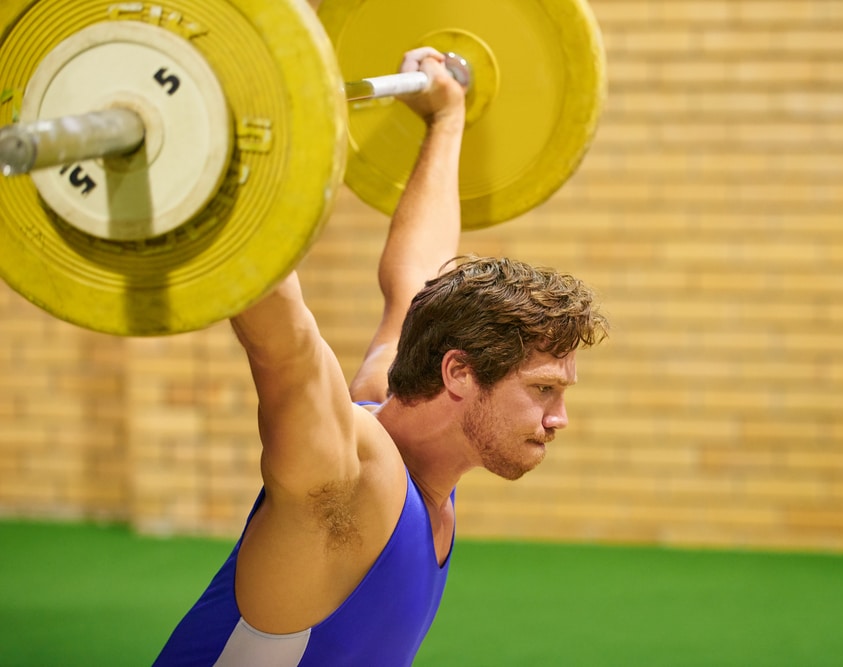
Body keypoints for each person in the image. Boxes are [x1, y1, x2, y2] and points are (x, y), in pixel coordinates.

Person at [152, 45, 608, 666]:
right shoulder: (349, 475)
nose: (560, 419)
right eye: (544, 389)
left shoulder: (406, 411)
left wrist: (446, 119)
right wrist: (207, 157)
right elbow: (283, 345)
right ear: (458, 373)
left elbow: (419, 275)